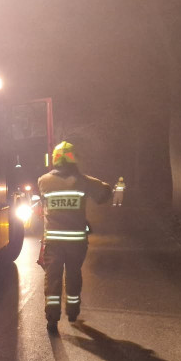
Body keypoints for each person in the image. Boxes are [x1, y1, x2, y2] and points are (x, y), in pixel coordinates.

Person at [37, 141, 112, 335]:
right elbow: (104, 194)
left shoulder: (43, 181)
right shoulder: (83, 181)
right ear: (73, 159)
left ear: (55, 159)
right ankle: (72, 312)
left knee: (52, 278)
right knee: (73, 275)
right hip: (76, 242)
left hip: (53, 241)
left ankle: (52, 318)